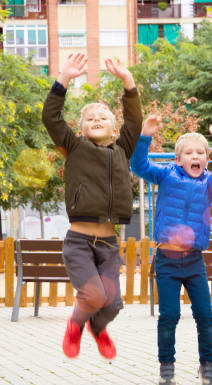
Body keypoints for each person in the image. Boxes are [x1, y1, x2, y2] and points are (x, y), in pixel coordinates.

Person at [42, 53, 143, 360]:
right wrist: (64, 78)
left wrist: (128, 81)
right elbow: (51, 118)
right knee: (94, 294)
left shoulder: (122, 148)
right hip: (80, 242)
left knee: (112, 303)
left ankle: (97, 329)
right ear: (82, 128)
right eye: (90, 118)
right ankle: (75, 324)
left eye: (103, 117)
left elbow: (135, 119)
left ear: (114, 127)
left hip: (109, 243)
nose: (97, 120)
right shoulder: (73, 147)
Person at [130, 116, 212, 385]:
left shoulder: (210, 184)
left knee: (204, 314)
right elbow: (138, 165)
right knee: (169, 315)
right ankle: (167, 365)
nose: (195, 156)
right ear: (178, 160)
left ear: (206, 159)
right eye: (189, 153)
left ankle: (207, 364)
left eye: (200, 152)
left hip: (193, 261)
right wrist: (145, 136)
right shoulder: (166, 175)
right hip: (166, 260)